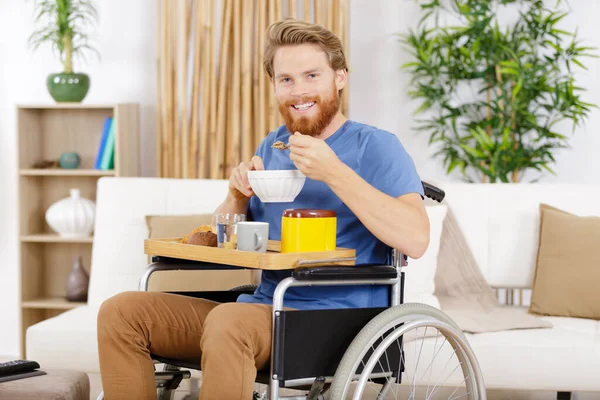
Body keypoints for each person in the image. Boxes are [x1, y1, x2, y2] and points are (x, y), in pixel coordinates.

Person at [97, 18, 430, 400]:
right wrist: (237, 195)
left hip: (335, 320)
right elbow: (231, 241)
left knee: (229, 321)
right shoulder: (273, 145)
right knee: (121, 313)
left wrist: (334, 172)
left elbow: (416, 238)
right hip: (262, 311)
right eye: (286, 79)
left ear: (339, 77)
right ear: (273, 86)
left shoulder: (376, 147)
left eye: (311, 75)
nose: (299, 90)